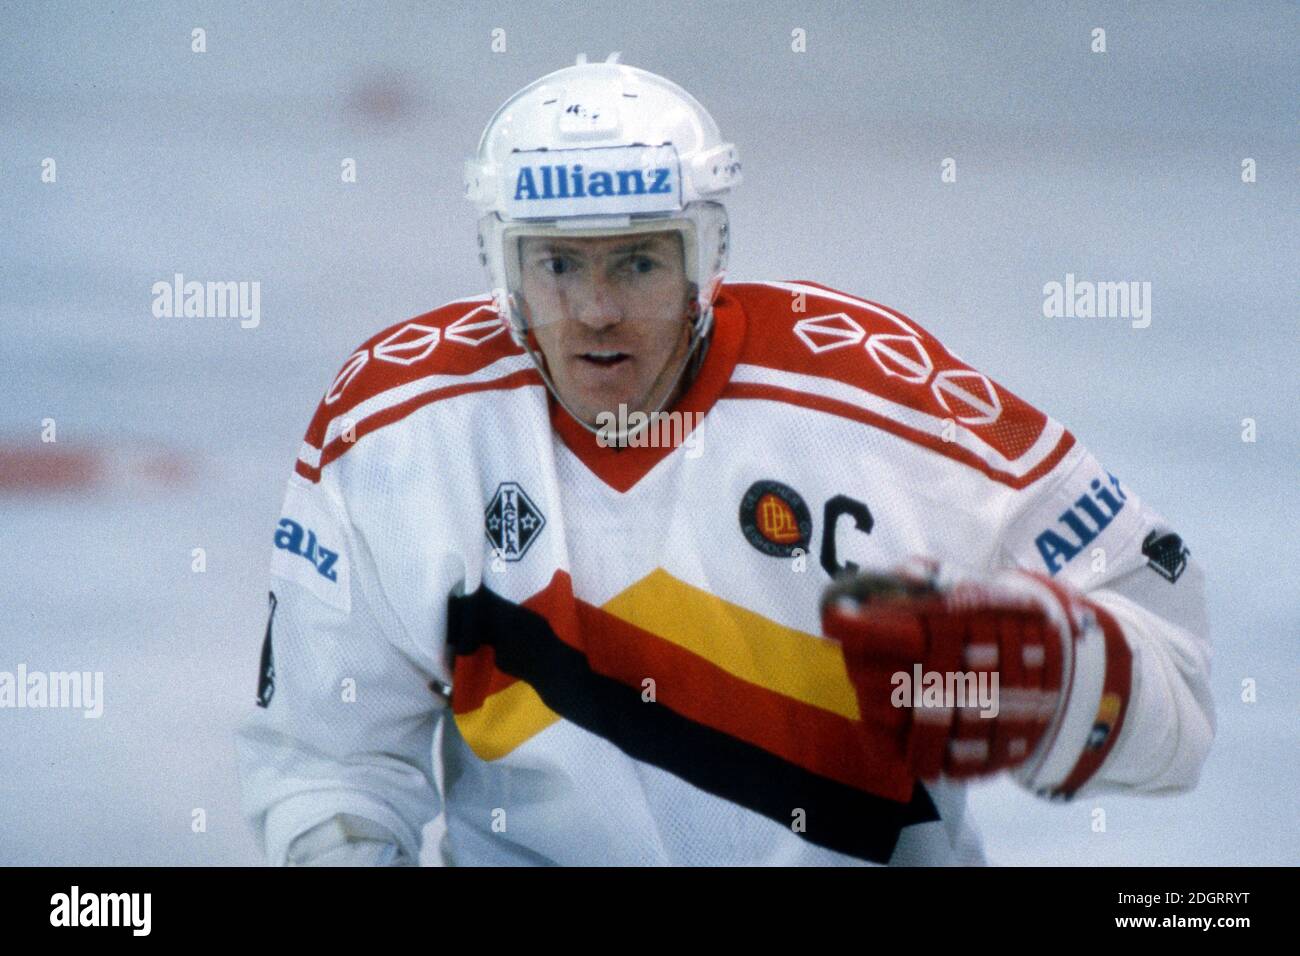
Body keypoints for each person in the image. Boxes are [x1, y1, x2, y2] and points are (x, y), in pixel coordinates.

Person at [235, 54, 1213, 866]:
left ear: (706, 257)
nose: (596, 310)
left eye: (639, 262)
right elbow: (332, 768)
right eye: (559, 264)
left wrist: (1076, 675)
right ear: (503, 262)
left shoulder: (887, 407)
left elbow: (1174, 684)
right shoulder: (393, 432)